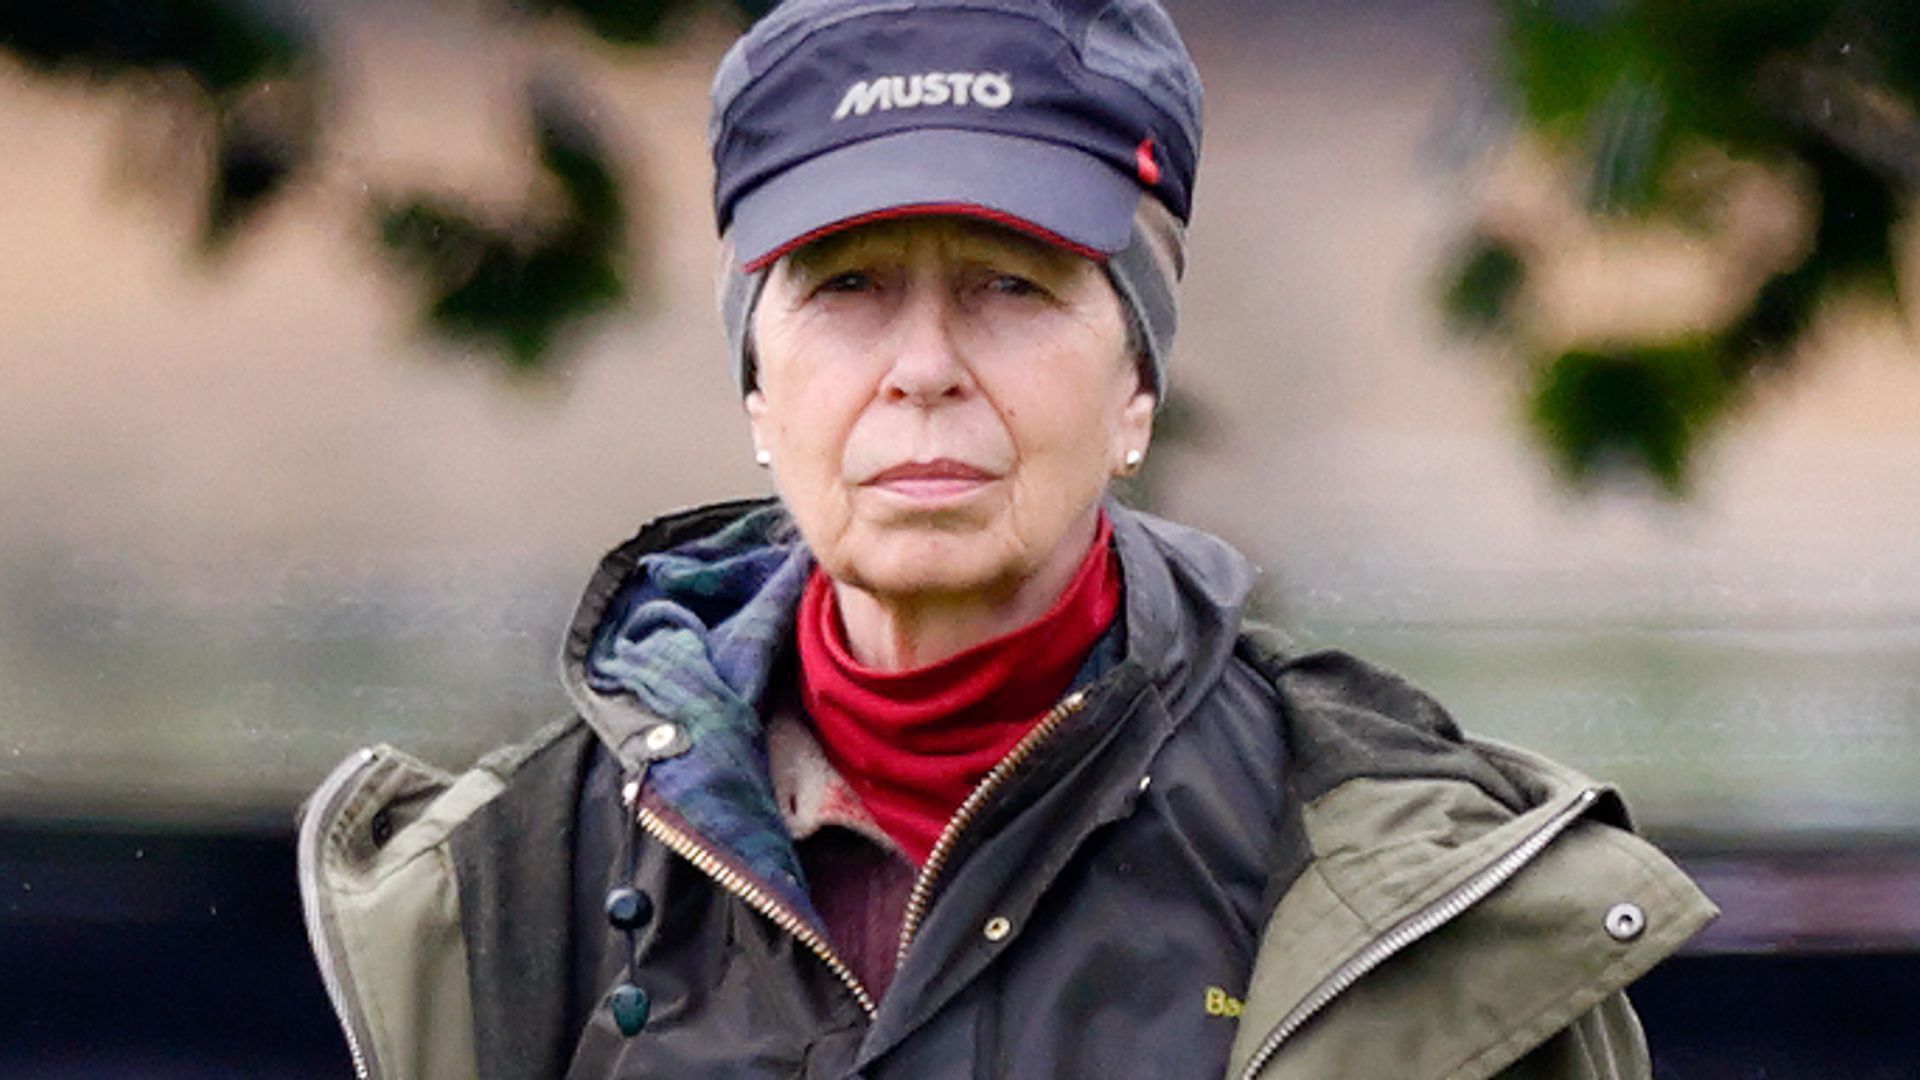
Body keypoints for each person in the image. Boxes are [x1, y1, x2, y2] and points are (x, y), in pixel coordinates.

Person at [297, 0, 1718, 1076]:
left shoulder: (1411, 886)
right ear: (756, 387)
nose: (923, 365)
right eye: (847, 285)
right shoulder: (492, 895)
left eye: (1009, 286)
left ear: (1138, 390)